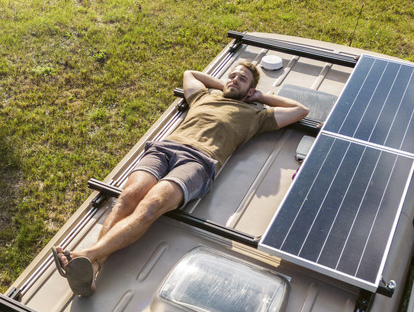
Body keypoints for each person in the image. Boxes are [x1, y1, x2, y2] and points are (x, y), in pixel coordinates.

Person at [52, 60, 309, 296]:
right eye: (232, 75)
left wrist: (261, 96)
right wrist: (225, 84)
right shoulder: (203, 97)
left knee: (151, 206)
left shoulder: (257, 116)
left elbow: (301, 110)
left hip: (199, 161)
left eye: (242, 79)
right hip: (164, 149)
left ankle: (87, 255)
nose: (234, 79)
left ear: (251, 89)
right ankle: (93, 269)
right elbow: (190, 74)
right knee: (127, 198)